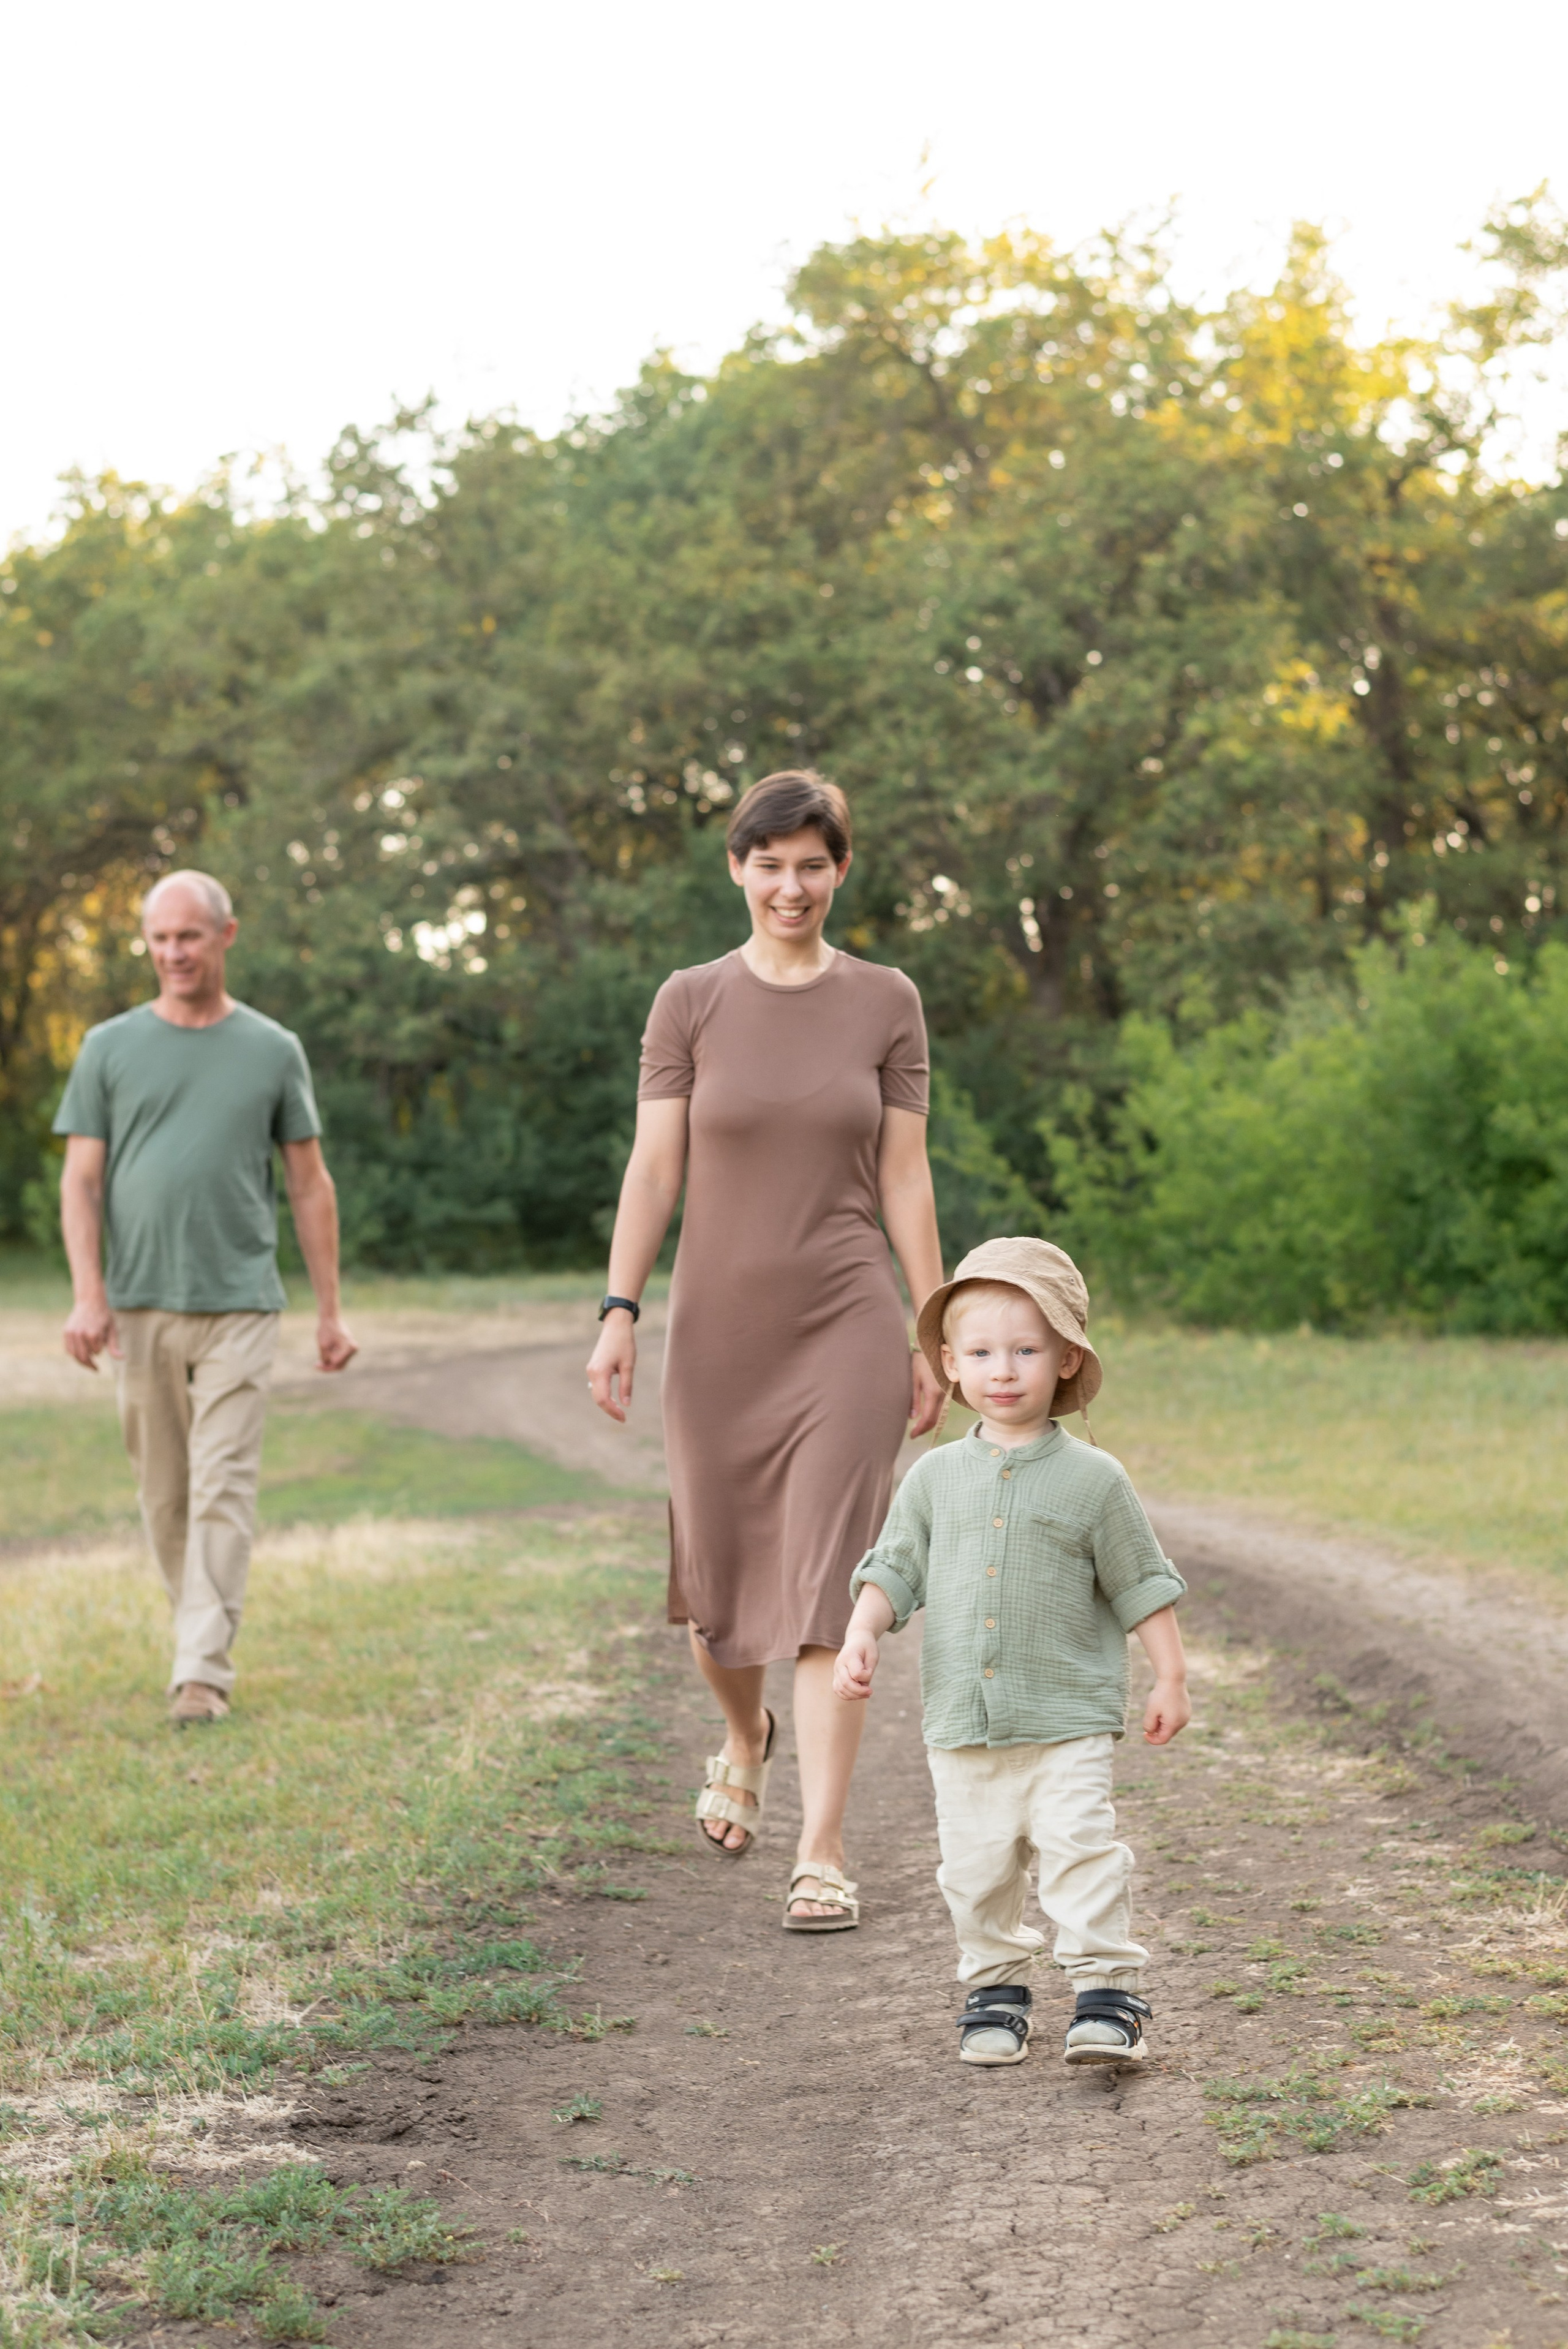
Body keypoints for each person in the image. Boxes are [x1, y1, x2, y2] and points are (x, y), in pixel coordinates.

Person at [586, 771, 945, 1929]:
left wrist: (933, 1323)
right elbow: (655, 1169)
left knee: (832, 1592)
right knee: (721, 1595)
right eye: (770, 863)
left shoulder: (888, 999)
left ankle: (824, 1850)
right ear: (737, 868)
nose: (792, 886)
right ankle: (746, 1733)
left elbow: (903, 1175)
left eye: (813, 864)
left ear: (843, 870)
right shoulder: (688, 1001)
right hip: (719, 1333)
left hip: (846, 1317)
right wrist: (618, 1309)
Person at [834, 1236, 1189, 2064]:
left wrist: (1169, 1673)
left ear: (1067, 1360)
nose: (1004, 1370)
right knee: (976, 1868)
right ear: (950, 1364)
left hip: (1068, 1717)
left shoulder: (1096, 1480)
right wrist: (863, 1628)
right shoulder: (931, 1479)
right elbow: (894, 1566)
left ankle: (1106, 1995)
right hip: (963, 1722)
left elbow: (1141, 1583)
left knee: (1080, 1854)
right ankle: (996, 1989)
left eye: (1026, 1350)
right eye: (983, 1352)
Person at [55, 870, 356, 1724]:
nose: (173, 952)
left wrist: (330, 1310)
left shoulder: (272, 1049)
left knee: (223, 1484)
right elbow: (81, 1182)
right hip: (140, 1305)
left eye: (189, 936)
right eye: (159, 938)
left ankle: (202, 1673)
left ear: (227, 936)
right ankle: (198, 1635)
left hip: (240, 1303)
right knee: (164, 1494)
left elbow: (309, 1185)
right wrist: (89, 1295)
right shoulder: (108, 1047)